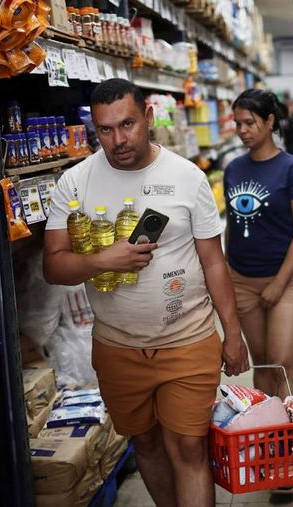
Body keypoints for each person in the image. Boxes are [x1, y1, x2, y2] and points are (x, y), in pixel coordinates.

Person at [43, 78, 250, 507]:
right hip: (117, 345)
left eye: (128, 124)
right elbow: (53, 266)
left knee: (189, 446)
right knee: (148, 444)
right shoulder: (74, 183)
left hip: (188, 337)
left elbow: (213, 261)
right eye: (105, 129)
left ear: (149, 117)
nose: (118, 140)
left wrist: (233, 333)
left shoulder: (187, 177)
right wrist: (103, 260)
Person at [223, 89, 293, 478]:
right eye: (238, 123)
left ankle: (289, 458)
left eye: (250, 122)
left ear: (270, 121)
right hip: (242, 279)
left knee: (282, 364)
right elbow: (231, 226)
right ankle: (265, 450)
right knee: (261, 366)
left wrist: (278, 283)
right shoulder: (232, 169)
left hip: (289, 278)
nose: (242, 130)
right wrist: (227, 273)